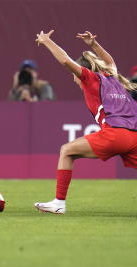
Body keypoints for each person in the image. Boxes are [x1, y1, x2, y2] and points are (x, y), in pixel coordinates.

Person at [33, 30, 137, 214]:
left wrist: (47, 41)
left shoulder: (90, 78)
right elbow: (111, 62)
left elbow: (65, 61)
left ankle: (59, 203)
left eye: (75, 74)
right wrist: (94, 45)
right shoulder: (113, 78)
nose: (74, 78)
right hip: (134, 136)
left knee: (66, 151)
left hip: (115, 134)